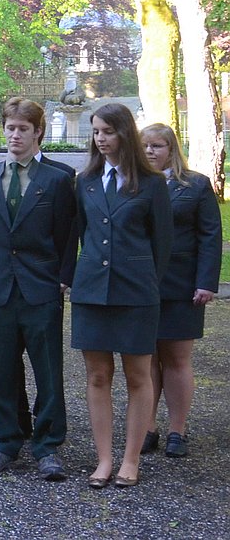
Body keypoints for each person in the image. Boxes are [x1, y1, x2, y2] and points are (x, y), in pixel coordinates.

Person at [68, 103, 172, 489]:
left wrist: (145, 284)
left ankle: (131, 459)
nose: (100, 138)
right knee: (97, 376)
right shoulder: (86, 181)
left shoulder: (152, 183)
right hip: (91, 292)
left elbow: (162, 245)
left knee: (137, 375)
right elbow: (80, 233)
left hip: (136, 293)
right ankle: (104, 460)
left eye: (108, 131)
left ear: (125, 133)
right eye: (96, 131)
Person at [0, 98, 76, 481]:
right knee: (1, 369)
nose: (15, 135)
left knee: (47, 369)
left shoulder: (57, 179)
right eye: (10, 128)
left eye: (23, 129)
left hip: (41, 286)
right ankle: (5, 440)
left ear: (37, 132)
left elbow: (68, 233)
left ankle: (47, 445)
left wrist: (63, 276)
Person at [140, 123, 220, 459]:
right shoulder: (132, 183)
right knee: (144, 360)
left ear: (171, 148)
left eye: (157, 145)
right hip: (141, 286)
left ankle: (177, 430)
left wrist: (206, 282)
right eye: (145, 145)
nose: (150, 151)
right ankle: (146, 428)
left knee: (176, 358)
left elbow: (210, 236)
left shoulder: (196, 185)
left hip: (182, 285)